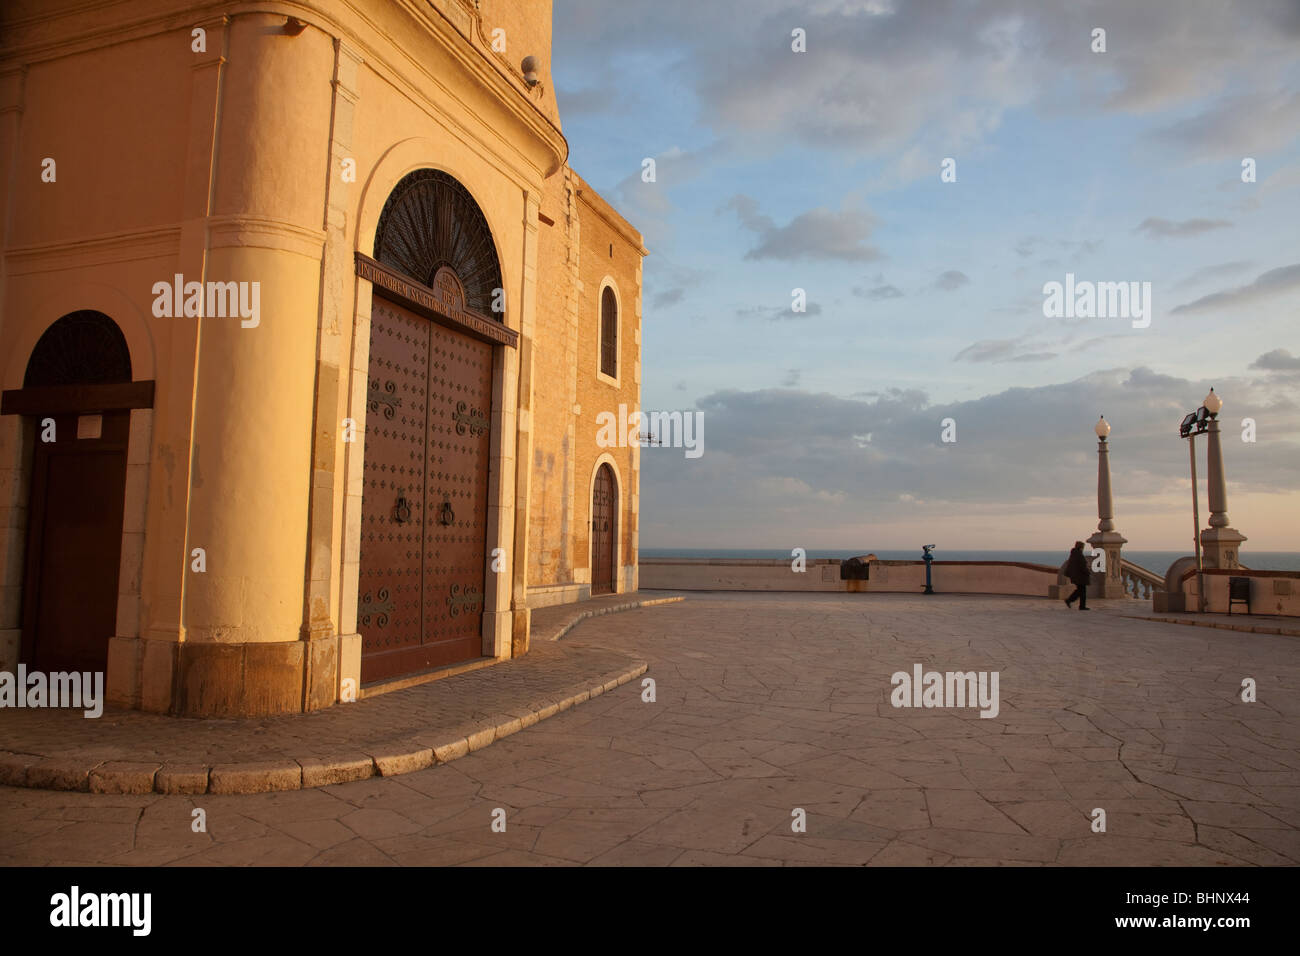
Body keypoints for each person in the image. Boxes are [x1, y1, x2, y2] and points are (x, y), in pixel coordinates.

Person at [1064, 541, 1090, 610]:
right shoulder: (1079, 555)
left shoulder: (1074, 554)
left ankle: (1078, 604)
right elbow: (1083, 566)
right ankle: (1072, 601)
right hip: (1080, 576)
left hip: (1076, 576)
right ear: (1081, 547)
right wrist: (1088, 572)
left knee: (1080, 590)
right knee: (1082, 591)